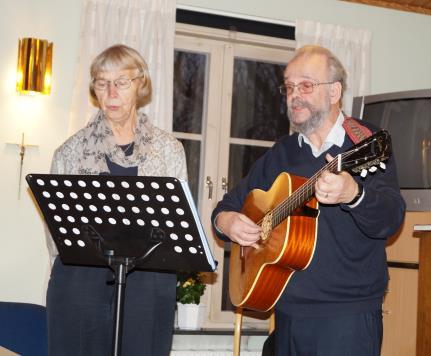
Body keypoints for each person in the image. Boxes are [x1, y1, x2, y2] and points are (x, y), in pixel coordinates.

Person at [211, 45, 406, 356]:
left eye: (305, 85)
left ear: (334, 92)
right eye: (288, 86)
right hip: (285, 313)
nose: (294, 95)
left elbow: (391, 218)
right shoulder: (282, 152)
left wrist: (353, 194)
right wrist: (229, 222)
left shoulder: (364, 142)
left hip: (347, 318)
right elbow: (225, 208)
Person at [46, 44, 187, 355]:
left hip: (149, 280)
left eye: (121, 82)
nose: (110, 92)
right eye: (101, 82)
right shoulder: (68, 153)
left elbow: (176, 227)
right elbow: (56, 240)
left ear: (141, 84)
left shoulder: (169, 150)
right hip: (80, 280)